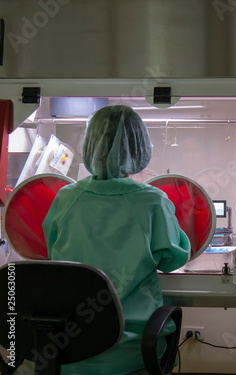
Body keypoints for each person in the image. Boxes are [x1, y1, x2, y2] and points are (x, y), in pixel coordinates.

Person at [42, 105, 191, 375]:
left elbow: (52, 252)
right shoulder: (152, 200)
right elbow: (173, 259)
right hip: (132, 348)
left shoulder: (65, 198)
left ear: (90, 146)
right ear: (139, 148)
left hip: (71, 347)